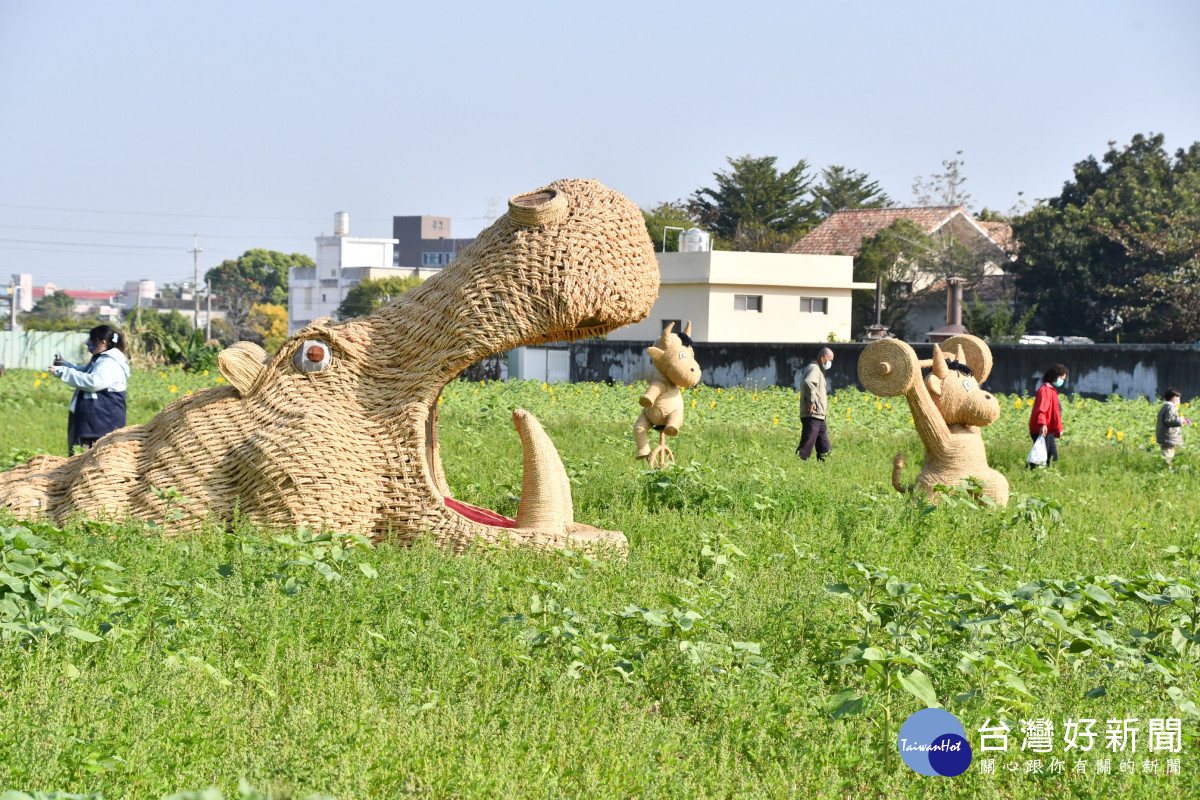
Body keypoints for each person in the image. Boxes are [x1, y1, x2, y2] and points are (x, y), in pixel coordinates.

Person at [51, 325, 130, 455]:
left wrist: (63, 372)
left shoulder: (109, 362)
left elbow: (93, 382)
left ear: (103, 342)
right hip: (94, 420)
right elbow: (85, 372)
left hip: (101, 422)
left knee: (92, 458)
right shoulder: (101, 358)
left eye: (92, 341)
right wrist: (65, 365)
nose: (89, 344)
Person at [796, 347, 833, 461]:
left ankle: (825, 464)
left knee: (824, 443)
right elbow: (809, 382)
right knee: (807, 442)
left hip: (819, 415)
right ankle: (798, 463)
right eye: (830, 360)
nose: (830, 363)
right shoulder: (814, 368)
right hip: (813, 413)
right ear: (823, 358)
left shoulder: (818, 369)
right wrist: (811, 402)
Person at [1028, 363, 1067, 467]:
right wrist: (1042, 424)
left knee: (1051, 457)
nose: (1062, 381)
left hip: (1048, 428)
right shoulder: (1045, 390)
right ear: (1054, 376)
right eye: (1061, 378)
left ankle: (1041, 473)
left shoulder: (1050, 390)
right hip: (1042, 428)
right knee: (1041, 456)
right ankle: (1030, 473)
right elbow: (1042, 409)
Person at [1156, 388, 1192, 464]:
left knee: (1169, 450)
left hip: (1164, 434)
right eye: (1178, 397)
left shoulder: (1166, 406)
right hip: (1167, 434)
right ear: (1174, 397)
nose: (1179, 400)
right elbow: (1169, 420)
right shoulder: (1170, 407)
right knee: (1168, 452)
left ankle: (1166, 467)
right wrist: (1180, 420)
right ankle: (1166, 468)